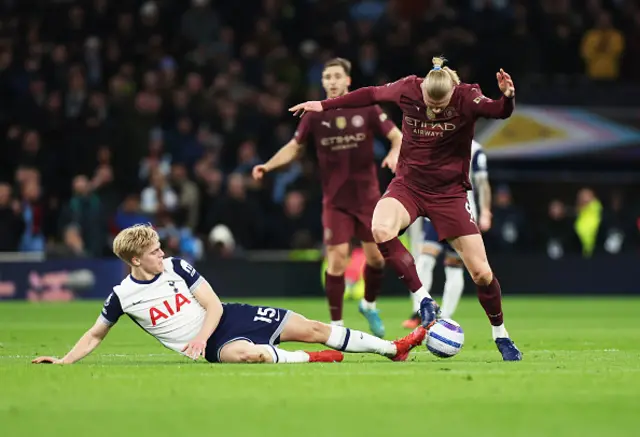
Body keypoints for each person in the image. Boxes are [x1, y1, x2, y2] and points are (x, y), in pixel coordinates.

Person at [289, 57, 522, 361]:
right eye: (430, 103)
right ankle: (424, 300)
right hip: (409, 186)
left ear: (453, 92)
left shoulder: (467, 96)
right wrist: (325, 104)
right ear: (423, 89)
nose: (435, 110)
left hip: (449, 193)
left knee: (481, 273)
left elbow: (498, 111)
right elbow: (369, 94)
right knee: (380, 228)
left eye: (441, 106)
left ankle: (500, 334)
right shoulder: (408, 89)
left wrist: (508, 96)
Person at [32, 224, 426, 365]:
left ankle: (393, 349)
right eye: (154, 251)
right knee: (249, 355)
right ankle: (313, 360)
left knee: (311, 326)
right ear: (135, 260)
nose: (161, 253)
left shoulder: (177, 268)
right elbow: (96, 333)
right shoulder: (122, 296)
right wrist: (65, 361)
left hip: (224, 320)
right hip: (213, 347)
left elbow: (213, 304)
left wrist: (201, 335)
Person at [253, 58, 402, 338]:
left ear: (348, 80)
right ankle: (337, 326)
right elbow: (294, 148)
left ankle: (368, 305)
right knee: (336, 260)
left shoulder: (367, 108)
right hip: (335, 201)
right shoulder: (314, 114)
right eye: (327, 77)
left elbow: (398, 137)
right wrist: (268, 166)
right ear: (322, 82)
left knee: (377, 261)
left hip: (368, 199)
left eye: (337, 76)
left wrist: (394, 152)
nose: (332, 81)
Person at [403, 139, 492, 329]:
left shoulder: (475, 150)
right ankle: (420, 310)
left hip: (462, 214)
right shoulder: (435, 143)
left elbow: (482, 182)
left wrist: (485, 211)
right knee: (424, 260)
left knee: (454, 267)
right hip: (434, 212)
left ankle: (445, 317)